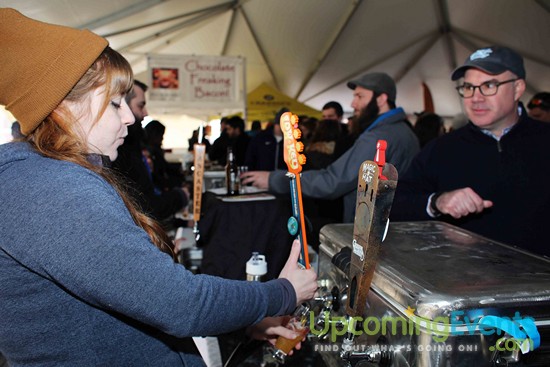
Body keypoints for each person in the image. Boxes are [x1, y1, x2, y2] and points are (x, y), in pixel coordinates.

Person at [0, 9, 318, 366]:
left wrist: (245, 322)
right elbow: (181, 303)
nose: (130, 117)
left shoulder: (44, 179)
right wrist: (283, 292)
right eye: (115, 103)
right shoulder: (53, 191)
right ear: (63, 107)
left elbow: (127, 306)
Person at [391, 46, 550, 257]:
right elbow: (394, 205)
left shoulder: (544, 141)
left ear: (518, 88)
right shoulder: (441, 149)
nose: (475, 97)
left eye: (489, 85)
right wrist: (437, 202)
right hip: (462, 281)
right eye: (468, 87)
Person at [242, 72, 420, 222]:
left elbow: (333, 181)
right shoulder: (404, 131)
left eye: (359, 96)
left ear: (381, 99)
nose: (353, 104)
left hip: (372, 232)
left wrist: (275, 180)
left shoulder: (378, 137)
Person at [113, 80, 187, 222]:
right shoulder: (121, 152)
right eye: (141, 106)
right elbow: (145, 208)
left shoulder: (133, 148)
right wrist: (180, 195)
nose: (145, 113)